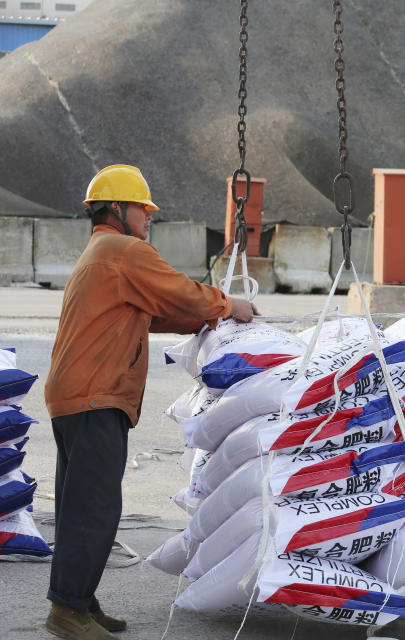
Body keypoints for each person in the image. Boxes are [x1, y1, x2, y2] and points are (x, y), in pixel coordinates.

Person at [42, 165, 257, 640]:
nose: (149, 218)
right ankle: (67, 612)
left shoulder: (102, 252)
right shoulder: (124, 250)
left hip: (76, 394)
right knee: (95, 508)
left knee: (81, 505)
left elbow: (152, 312)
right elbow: (179, 290)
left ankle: (80, 601)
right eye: (143, 208)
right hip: (94, 396)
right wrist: (227, 305)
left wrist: (200, 322)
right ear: (118, 209)